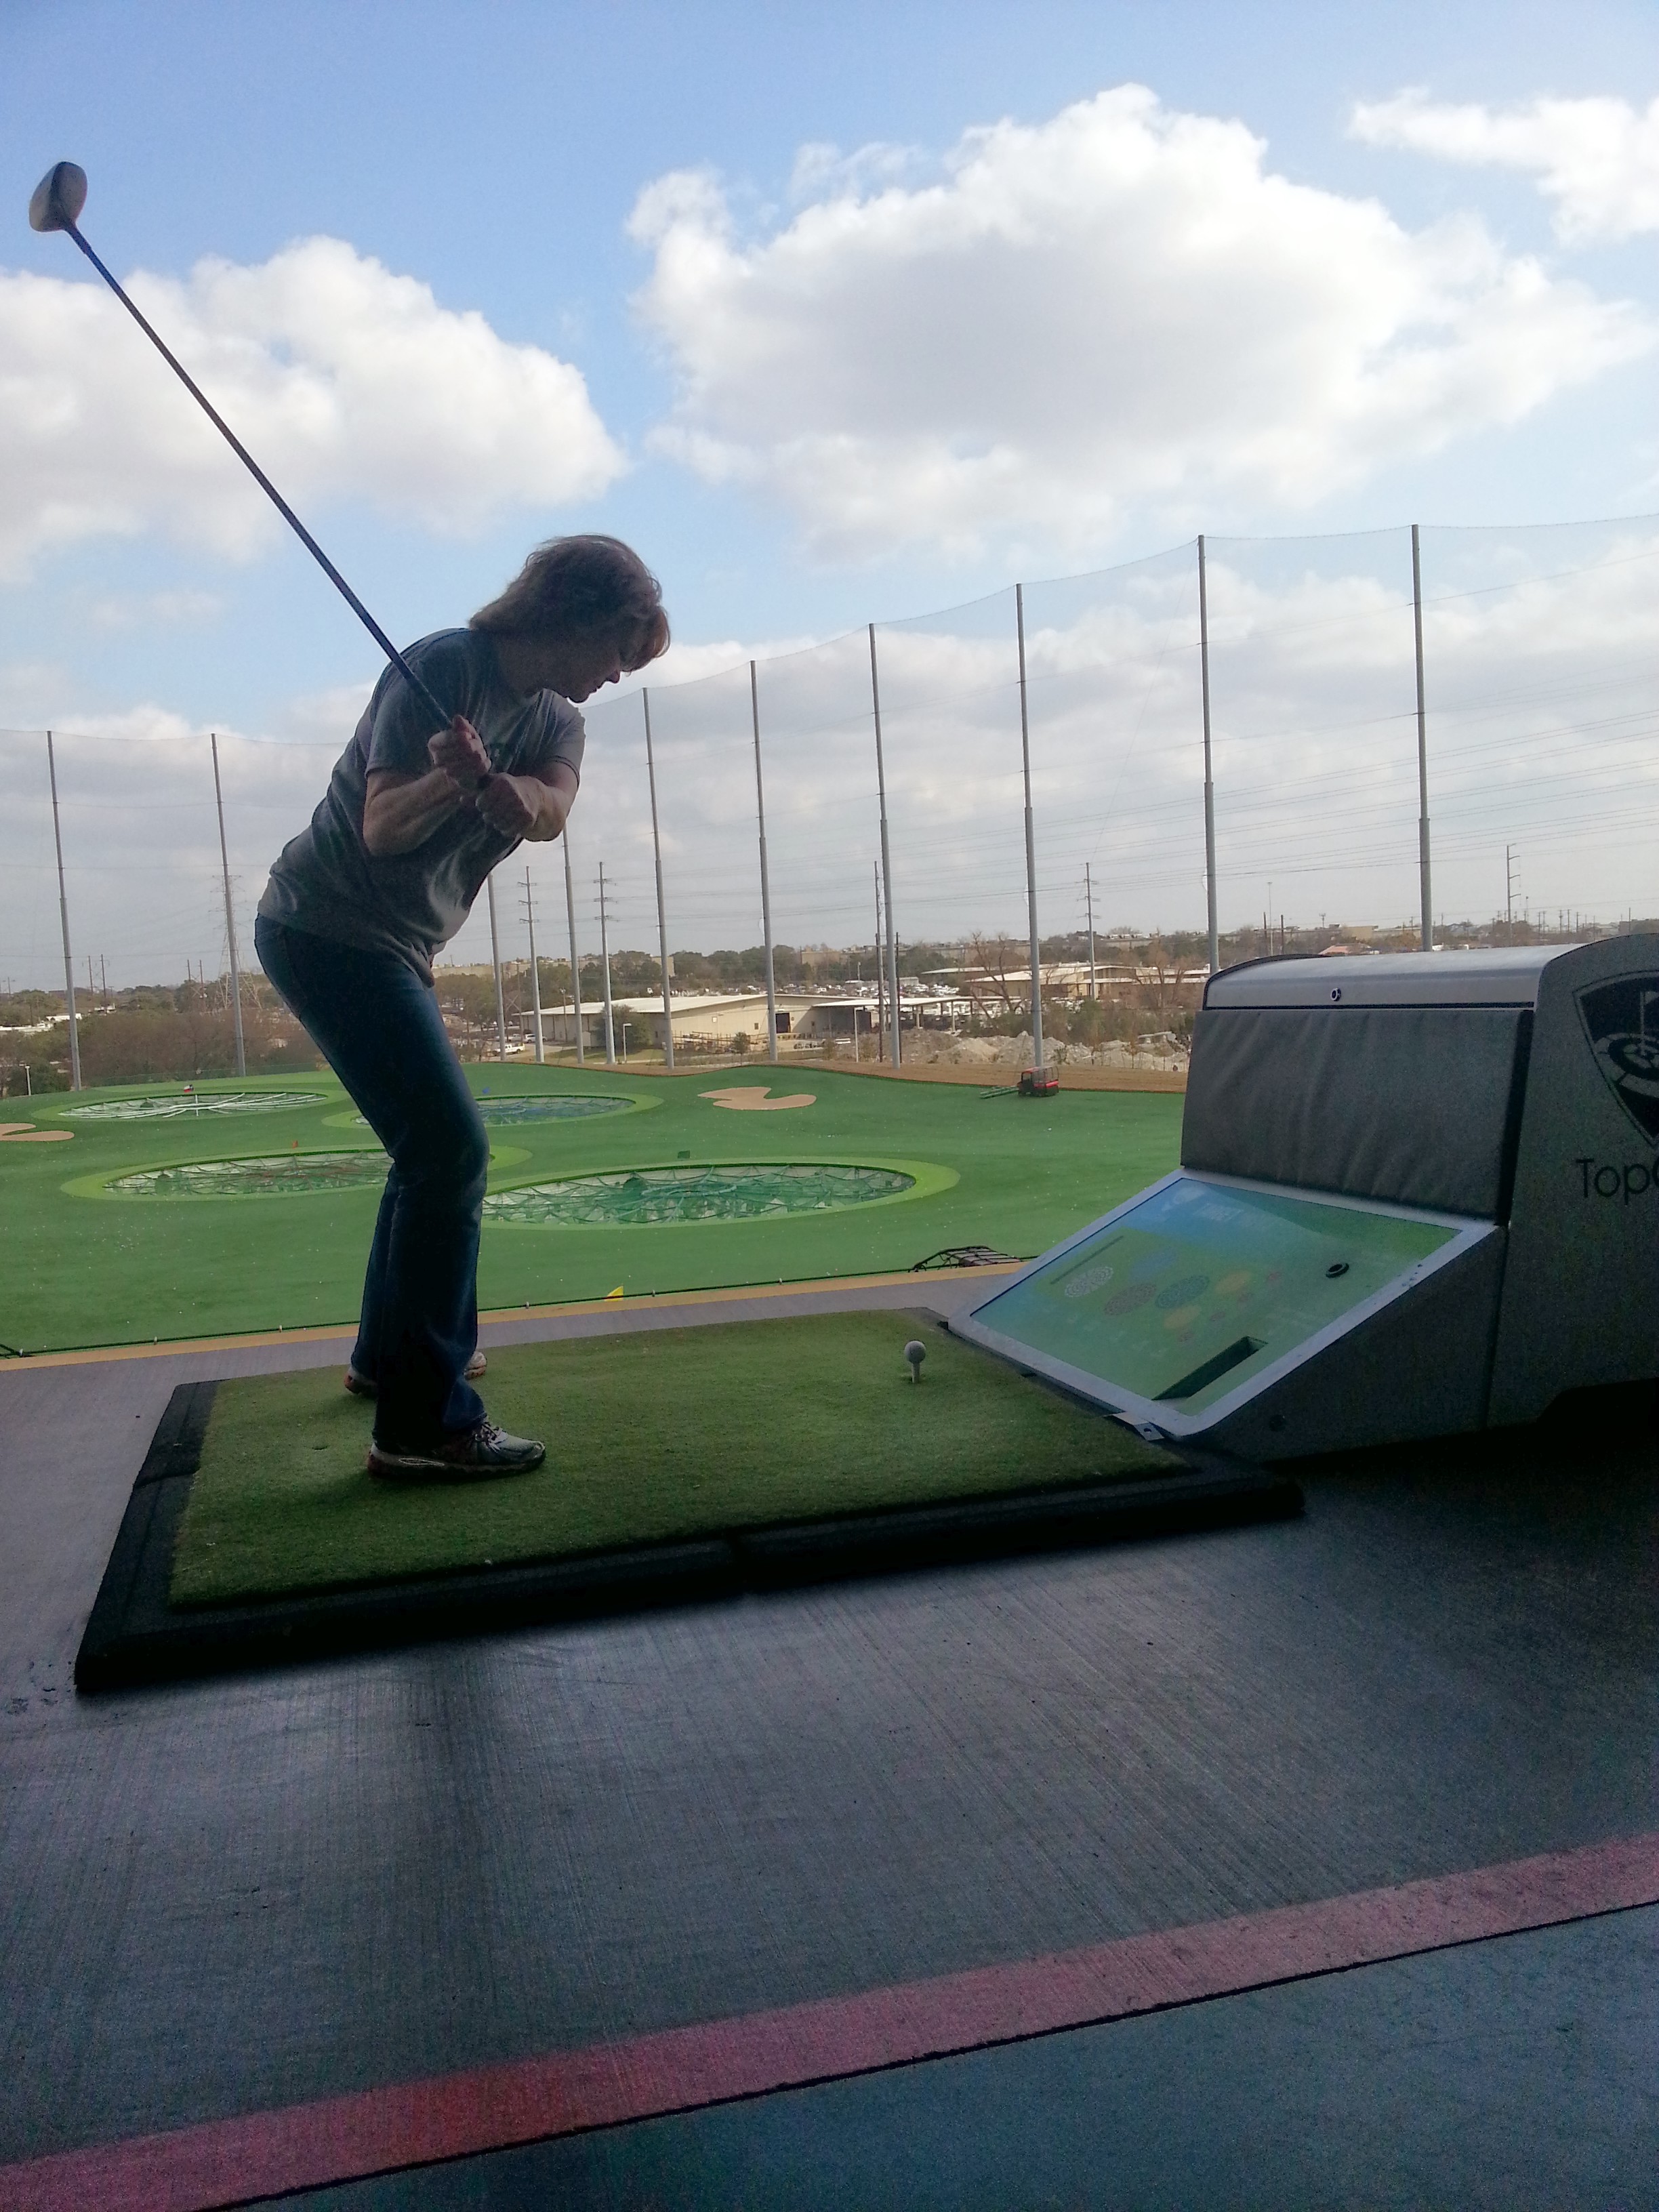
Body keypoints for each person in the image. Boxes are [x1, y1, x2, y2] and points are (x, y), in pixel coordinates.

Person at [253, 535, 668, 1480]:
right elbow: (381, 827)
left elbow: (549, 811)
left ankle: (386, 1360)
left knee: (427, 1151)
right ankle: (423, 1424)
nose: (617, 673)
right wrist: (449, 777)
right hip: (323, 926)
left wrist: (491, 784)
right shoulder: (445, 669)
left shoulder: (559, 720)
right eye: (618, 648)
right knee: (450, 1150)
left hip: (397, 947)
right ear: (571, 616)